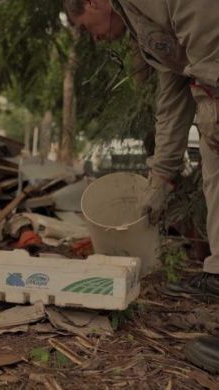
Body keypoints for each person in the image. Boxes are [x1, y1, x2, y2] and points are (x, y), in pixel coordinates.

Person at [63, 0, 219, 373]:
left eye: (87, 27)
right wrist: (161, 179)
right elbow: (172, 96)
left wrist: (213, 96)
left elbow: (204, 13)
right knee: (214, 170)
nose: (95, 39)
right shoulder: (139, 23)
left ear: (94, 2)